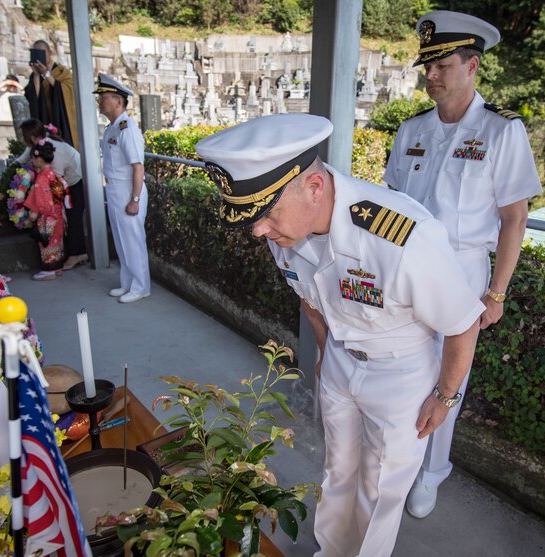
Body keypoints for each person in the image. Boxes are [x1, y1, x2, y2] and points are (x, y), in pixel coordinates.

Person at [195, 113, 485, 557]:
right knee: (338, 470)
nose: (259, 230)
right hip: (341, 361)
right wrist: (328, 352)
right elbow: (309, 296)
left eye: (267, 214)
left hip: (401, 373)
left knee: (380, 486)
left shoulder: (402, 238)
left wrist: (445, 397)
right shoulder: (285, 232)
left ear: (314, 187)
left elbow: (462, 322)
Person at [383, 10, 542, 519]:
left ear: (472, 65)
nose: (430, 75)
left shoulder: (500, 132)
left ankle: (431, 473)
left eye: (442, 65)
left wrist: (495, 293)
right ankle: (399, 460)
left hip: (462, 271)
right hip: (405, 271)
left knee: (449, 381)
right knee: (402, 368)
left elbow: (514, 218)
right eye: (426, 65)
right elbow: (389, 205)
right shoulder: (411, 130)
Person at [94, 74, 150, 303]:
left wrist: (135, 199)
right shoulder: (113, 128)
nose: (99, 101)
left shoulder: (127, 130)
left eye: (103, 97)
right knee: (121, 239)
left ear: (118, 101)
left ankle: (141, 286)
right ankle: (127, 283)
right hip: (116, 190)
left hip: (128, 190)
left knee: (133, 240)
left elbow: (138, 168)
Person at [14, 119, 87, 270]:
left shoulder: (54, 151)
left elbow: (54, 180)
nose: (22, 139)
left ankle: (77, 254)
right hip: (62, 183)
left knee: (73, 218)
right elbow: (22, 159)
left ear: (33, 137)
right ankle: (72, 252)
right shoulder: (37, 145)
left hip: (75, 181)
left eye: (23, 136)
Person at [24, 140, 69, 281]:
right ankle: (57, 268)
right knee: (57, 241)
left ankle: (49, 270)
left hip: (48, 215)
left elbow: (42, 199)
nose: (31, 160)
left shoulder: (43, 177)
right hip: (58, 213)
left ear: (38, 159)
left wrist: (34, 212)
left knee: (47, 243)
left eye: (32, 157)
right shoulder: (52, 174)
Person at [24, 41, 78, 148]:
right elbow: (35, 98)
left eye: (42, 52)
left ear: (50, 53)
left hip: (60, 118)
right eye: (36, 52)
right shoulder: (34, 75)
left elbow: (67, 90)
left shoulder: (62, 72)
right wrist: (36, 75)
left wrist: (46, 74)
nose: (40, 55)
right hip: (44, 118)